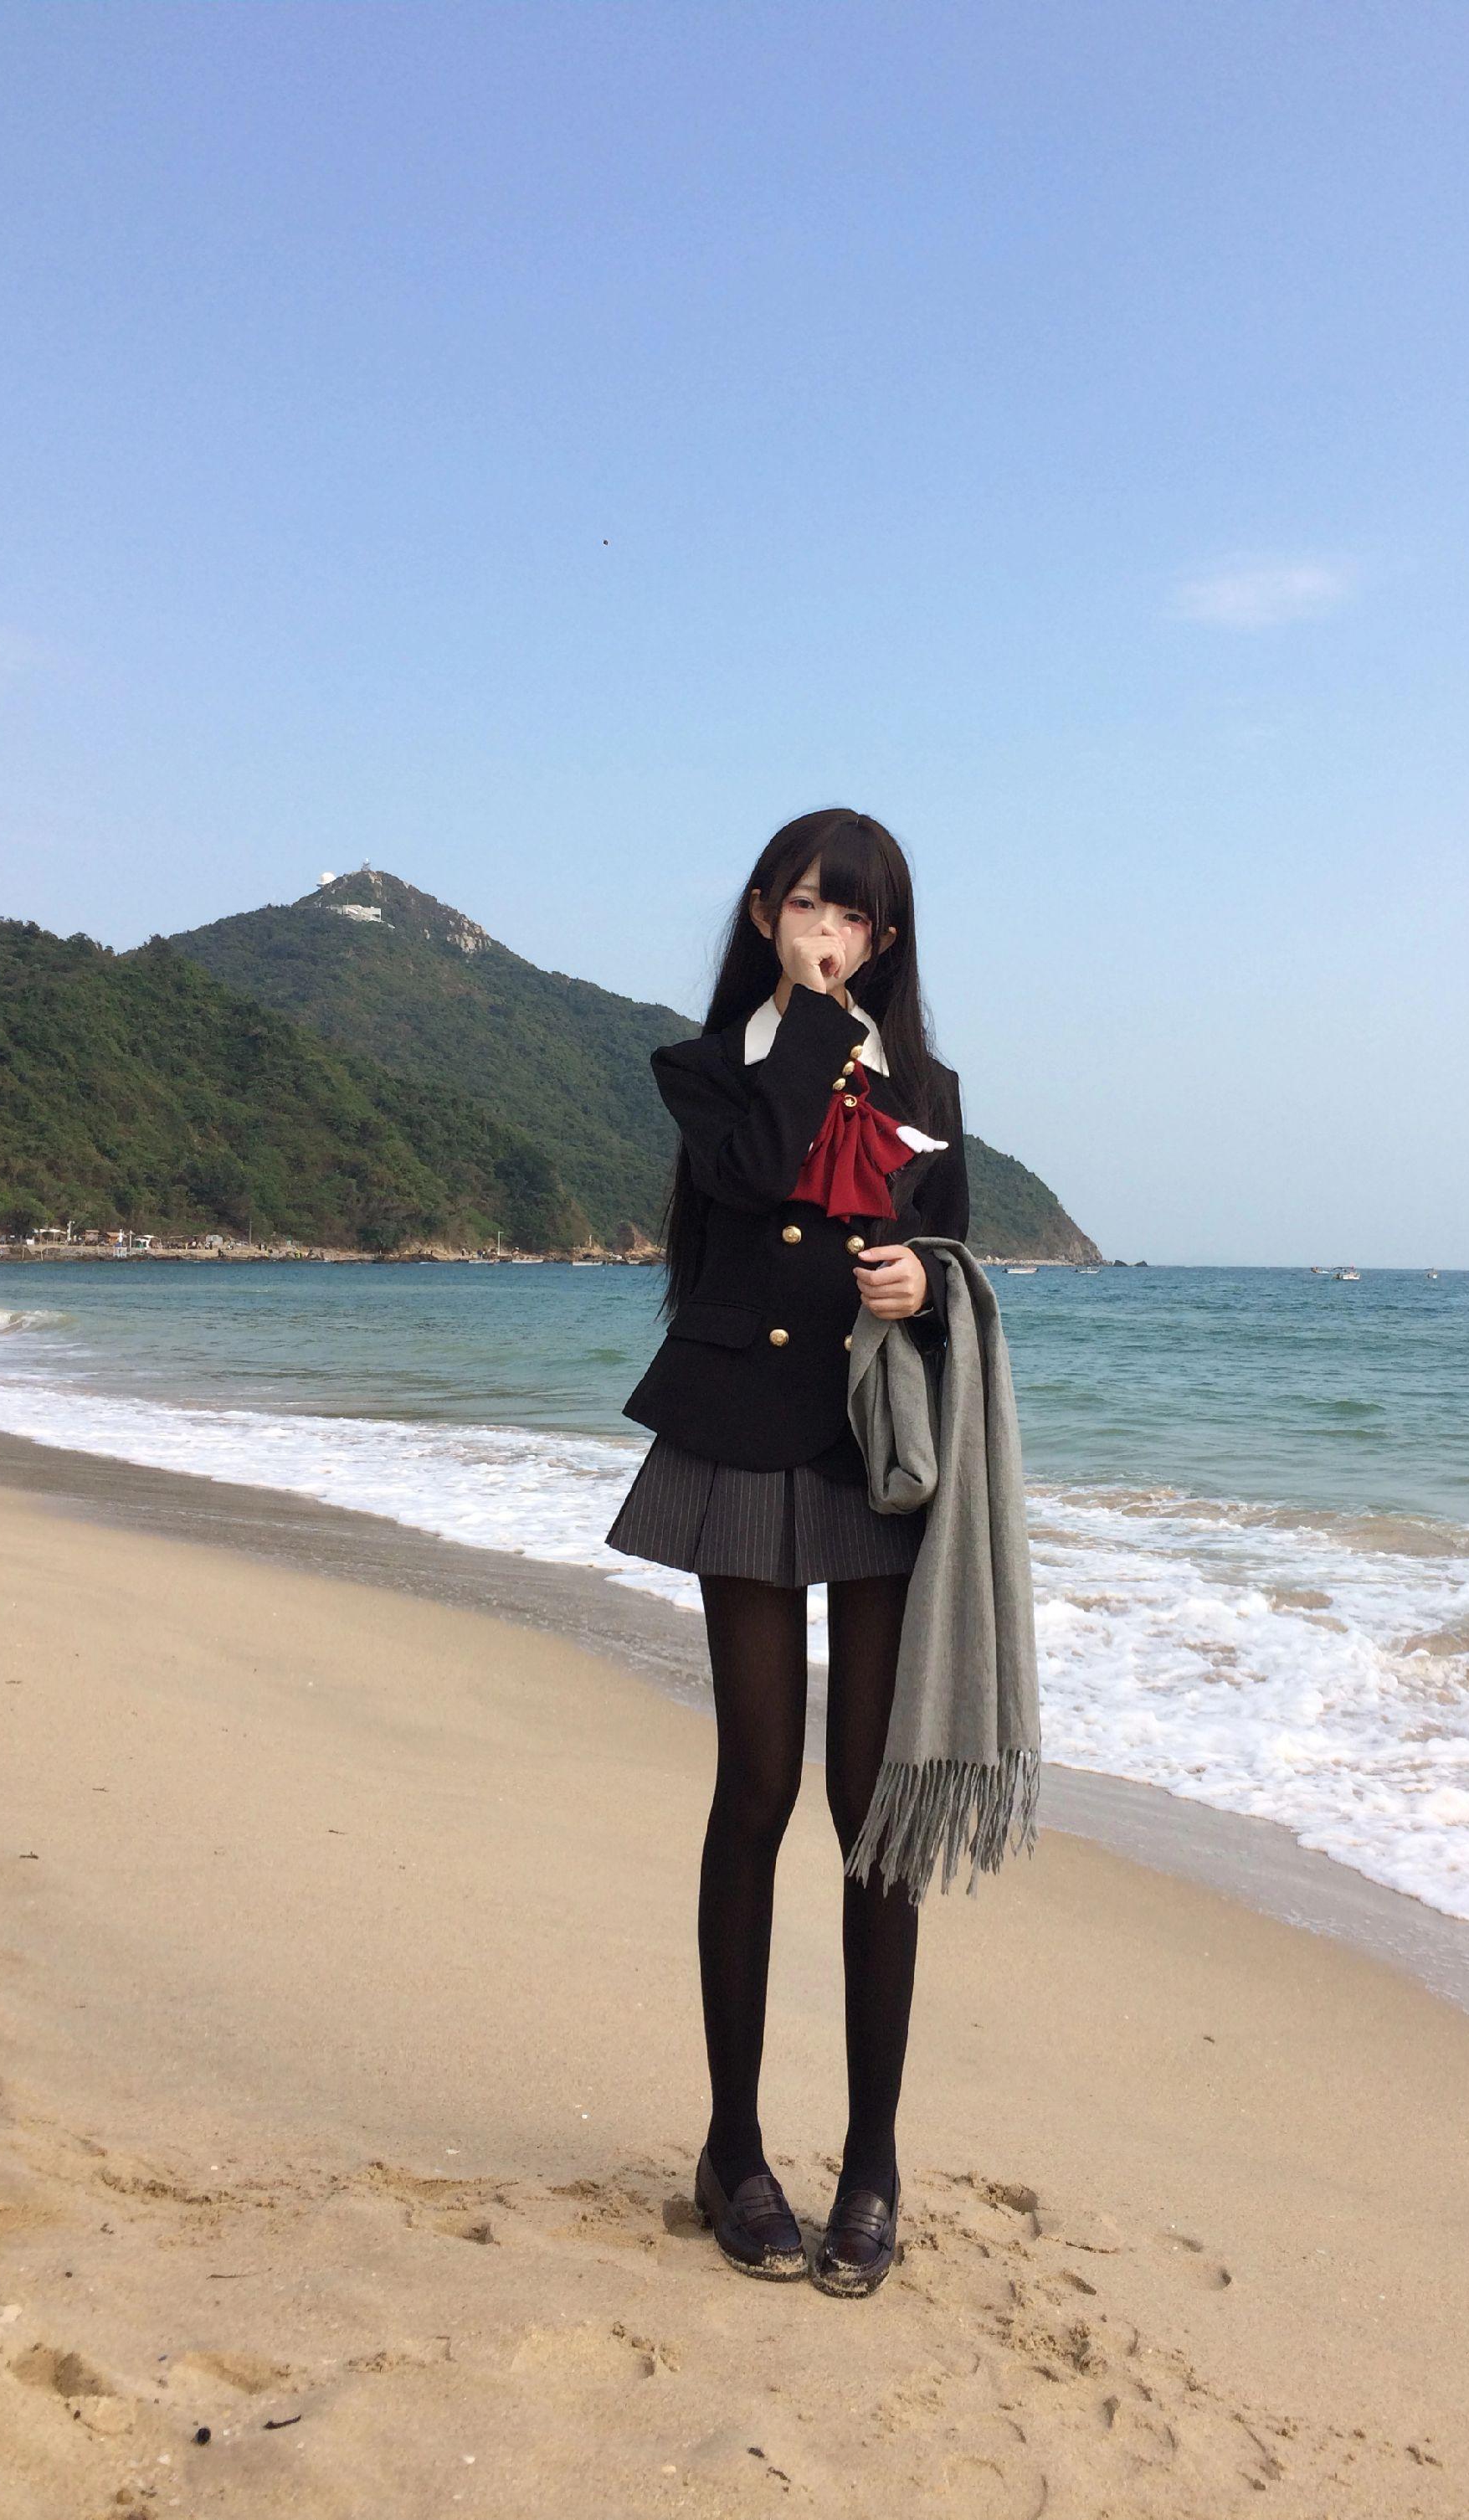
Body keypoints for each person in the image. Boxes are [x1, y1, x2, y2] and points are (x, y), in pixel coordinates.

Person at [606, 806, 968, 2298]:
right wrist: (816, 1023)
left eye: (861, 919)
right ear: (765, 911)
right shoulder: (711, 1068)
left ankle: (872, 2163)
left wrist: (920, 1286)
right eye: (813, 906)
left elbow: (952, 1266)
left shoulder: (928, 1089)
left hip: (868, 1457)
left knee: (869, 1808)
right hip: (740, 1437)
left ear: (888, 938)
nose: (835, 935)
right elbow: (758, 1170)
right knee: (756, 1785)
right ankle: (734, 2151)